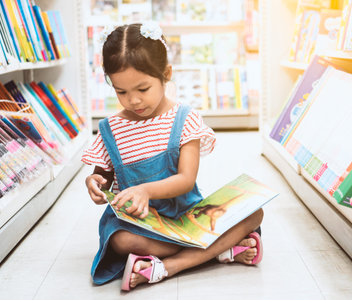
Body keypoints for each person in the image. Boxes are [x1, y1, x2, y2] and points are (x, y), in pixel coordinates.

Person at [82, 22, 264, 291]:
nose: (133, 100)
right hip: (141, 224)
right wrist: (95, 182)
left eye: (142, 89)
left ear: (166, 74)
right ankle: (216, 251)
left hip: (186, 214)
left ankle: (169, 265)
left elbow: (186, 180)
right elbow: (104, 177)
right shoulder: (112, 129)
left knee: (254, 213)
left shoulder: (184, 119)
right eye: (121, 91)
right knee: (121, 240)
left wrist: (144, 190)